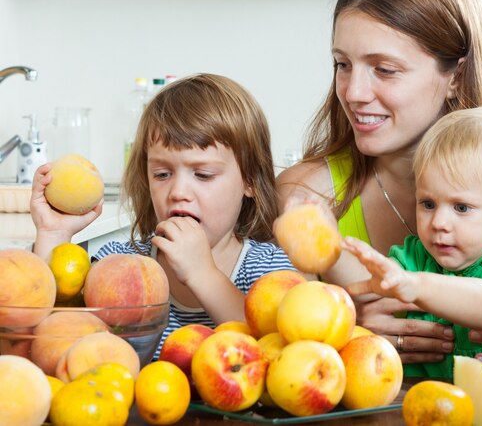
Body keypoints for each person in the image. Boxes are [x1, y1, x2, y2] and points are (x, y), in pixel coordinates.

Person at [277, 0, 482, 370]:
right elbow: (284, 350)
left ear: (455, 76)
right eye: (342, 65)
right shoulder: (308, 196)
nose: (353, 92)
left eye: (384, 69)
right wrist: (348, 326)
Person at [32, 73, 296, 354]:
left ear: (250, 181)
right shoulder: (118, 262)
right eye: (162, 174)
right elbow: (51, 339)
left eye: (203, 174)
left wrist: (202, 274)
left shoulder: (268, 270)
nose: (178, 191)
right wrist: (54, 234)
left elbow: (277, 354)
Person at [342, 106, 482, 379]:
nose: (438, 222)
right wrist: (329, 245)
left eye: (462, 208)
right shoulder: (416, 257)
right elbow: (366, 285)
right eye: (428, 203)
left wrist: (417, 285)